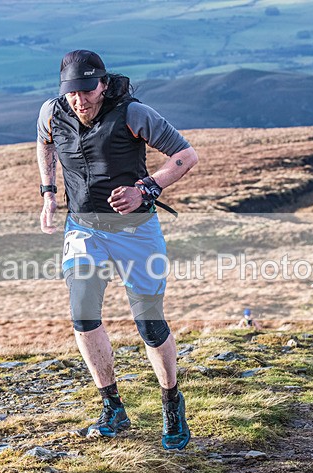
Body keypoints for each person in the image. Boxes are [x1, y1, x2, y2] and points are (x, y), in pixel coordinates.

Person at [36, 50, 199, 450]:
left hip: (136, 230)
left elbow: (185, 155)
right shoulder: (51, 113)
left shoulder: (134, 113)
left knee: (149, 324)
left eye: (88, 91)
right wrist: (49, 193)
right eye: (73, 93)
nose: (81, 101)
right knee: (83, 314)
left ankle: (171, 403)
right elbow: (44, 143)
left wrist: (146, 188)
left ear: (103, 85)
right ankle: (113, 408)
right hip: (83, 229)